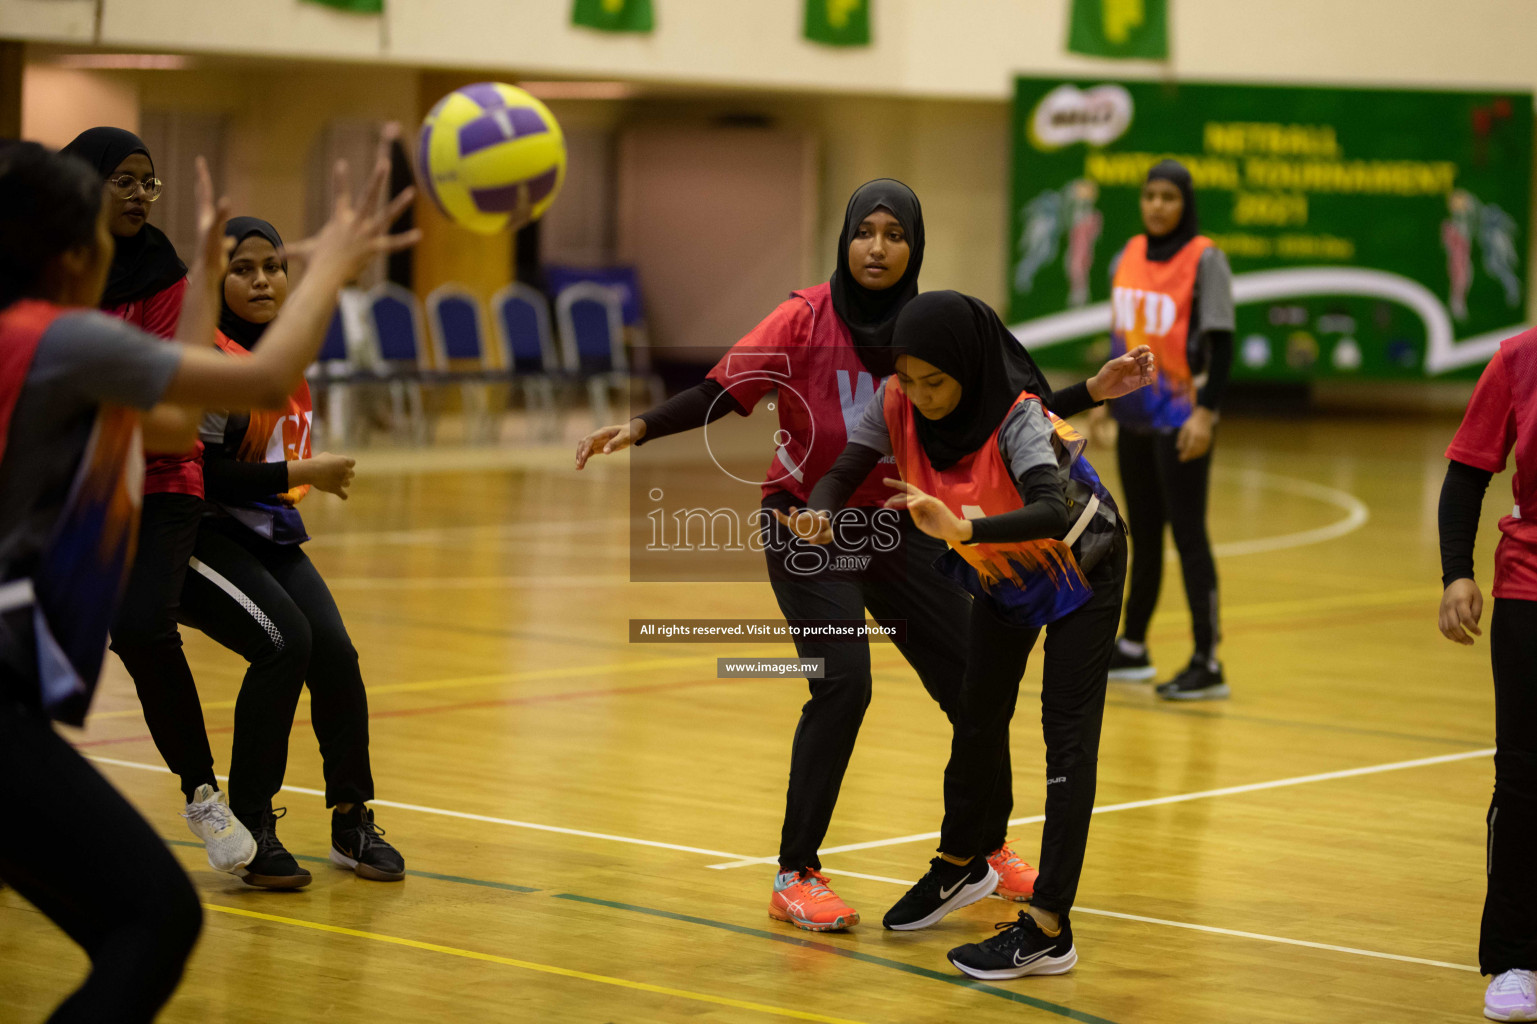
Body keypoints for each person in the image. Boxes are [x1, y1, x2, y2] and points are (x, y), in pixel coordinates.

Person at [0, 138, 414, 1023]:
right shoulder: (55, 341)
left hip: (25, 684)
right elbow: (236, 388)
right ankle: (228, 806)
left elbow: (170, 426)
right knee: (152, 920)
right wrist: (331, 265)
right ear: (74, 249)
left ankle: (319, 812)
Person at [578, 180, 1044, 930]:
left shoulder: (931, 326)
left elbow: (1011, 395)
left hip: (898, 523)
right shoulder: (802, 319)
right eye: (866, 231)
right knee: (841, 683)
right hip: (805, 526)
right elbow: (718, 393)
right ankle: (795, 873)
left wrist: (1085, 401)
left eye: (895, 234)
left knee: (974, 683)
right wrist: (637, 427)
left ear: (914, 246)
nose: (878, 247)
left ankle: (982, 848)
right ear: (845, 238)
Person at [795, 291, 1138, 976]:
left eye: (936, 383)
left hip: (1082, 563)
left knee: (1064, 735)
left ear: (971, 371)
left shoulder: (1018, 421)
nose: (920, 396)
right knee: (976, 712)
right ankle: (959, 864)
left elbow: (1046, 506)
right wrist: (819, 511)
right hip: (1006, 571)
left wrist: (964, 530)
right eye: (909, 379)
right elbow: (844, 469)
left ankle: (1048, 927)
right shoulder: (894, 398)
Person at [155, 215, 401, 888]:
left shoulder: (286, 356)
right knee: (285, 641)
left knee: (336, 653)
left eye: (273, 265)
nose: (262, 279)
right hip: (193, 531)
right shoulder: (207, 358)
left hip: (263, 529)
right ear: (217, 279)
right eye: (242, 268)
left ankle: (352, 819)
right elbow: (198, 473)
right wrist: (302, 473)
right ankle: (253, 825)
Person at [58, 127, 254, 865]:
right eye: (126, 181)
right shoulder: (47, 272)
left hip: (159, 482)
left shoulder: (163, 273)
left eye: (150, 182)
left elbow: (165, 404)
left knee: (141, 626)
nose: (143, 194)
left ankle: (202, 794)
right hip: (66, 488)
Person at [1097, 159, 1236, 700]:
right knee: (1143, 534)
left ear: (1186, 203)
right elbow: (1121, 337)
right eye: (1150, 195)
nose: (1157, 205)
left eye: (1168, 197)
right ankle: (1133, 646)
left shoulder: (1206, 259)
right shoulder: (1126, 253)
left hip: (1182, 418)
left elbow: (1221, 345)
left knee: (1189, 535)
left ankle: (1208, 659)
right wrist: (1108, 404)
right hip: (1133, 415)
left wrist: (1207, 412)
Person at [1437, 329, 1537, 1023]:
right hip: (1530, 594)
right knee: (1525, 780)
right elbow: (1467, 472)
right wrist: (1456, 574)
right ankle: (1514, 957)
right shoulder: (1516, 359)